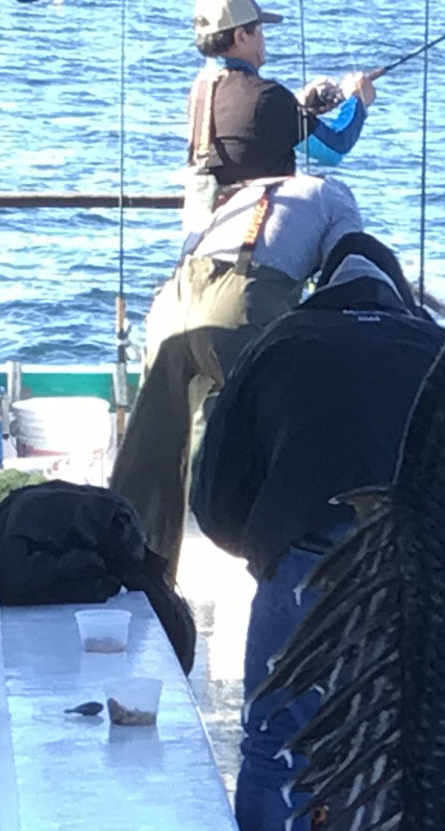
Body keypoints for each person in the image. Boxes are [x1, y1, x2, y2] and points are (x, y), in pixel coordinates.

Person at [189, 236, 444, 831]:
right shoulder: (436, 346)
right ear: (396, 292)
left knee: (277, 733)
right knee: (415, 739)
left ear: (323, 287)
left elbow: (215, 491)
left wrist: (264, 553)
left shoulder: (279, 341)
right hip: (416, 556)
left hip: (306, 546)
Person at [108, 134, 363, 583]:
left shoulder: (238, 197)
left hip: (172, 302)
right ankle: (286, 571)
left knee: (153, 451)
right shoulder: (331, 193)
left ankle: (131, 569)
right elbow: (349, 269)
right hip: (239, 303)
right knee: (288, 438)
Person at [184, 0, 375, 227]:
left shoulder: (200, 91)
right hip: (258, 226)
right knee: (336, 195)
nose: (263, 40)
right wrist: (358, 101)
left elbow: (247, 126)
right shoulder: (267, 96)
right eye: (259, 32)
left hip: (208, 220)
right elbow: (335, 148)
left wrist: (298, 105)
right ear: (241, 37)